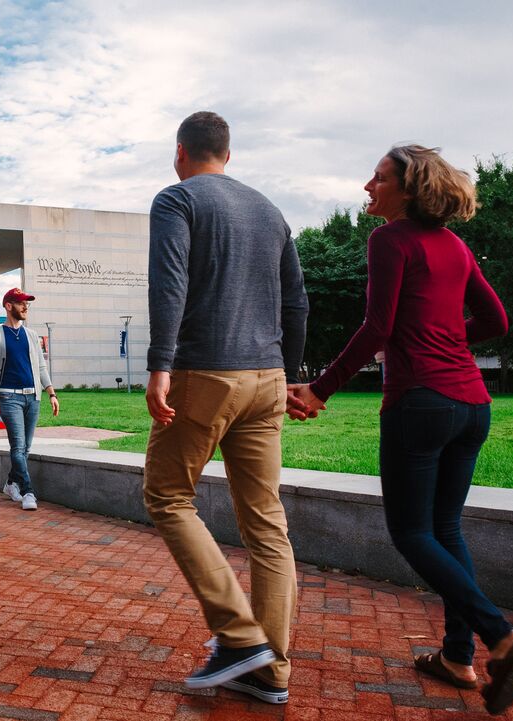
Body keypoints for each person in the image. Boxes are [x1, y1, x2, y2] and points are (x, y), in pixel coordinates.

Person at [291, 145, 513, 714]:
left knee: (411, 532)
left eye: (378, 178)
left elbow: (378, 326)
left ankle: (502, 637)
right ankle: (456, 657)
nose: (367, 186)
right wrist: (443, 337)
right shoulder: (455, 246)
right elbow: (496, 322)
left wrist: (320, 388)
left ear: (408, 187)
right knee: (444, 529)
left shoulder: (389, 240)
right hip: (473, 403)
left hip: (420, 403)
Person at [143, 111, 309, 704]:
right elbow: (297, 301)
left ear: (181, 151)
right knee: (266, 521)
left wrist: (159, 365)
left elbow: (169, 284)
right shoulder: (270, 211)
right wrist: (292, 372)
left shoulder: (177, 200)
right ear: (228, 154)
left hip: (205, 371)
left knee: (167, 494)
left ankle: (240, 637)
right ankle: (274, 670)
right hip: (267, 377)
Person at [0, 288, 59, 511]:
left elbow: (41, 367)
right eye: (21, 303)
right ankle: (28, 491)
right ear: (8, 306)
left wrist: (51, 393)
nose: (25, 307)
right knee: (18, 446)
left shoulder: (31, 335)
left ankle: (10, 483)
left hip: (33, 397)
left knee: (26, 448)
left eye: (27, 304)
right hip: (8, 397)